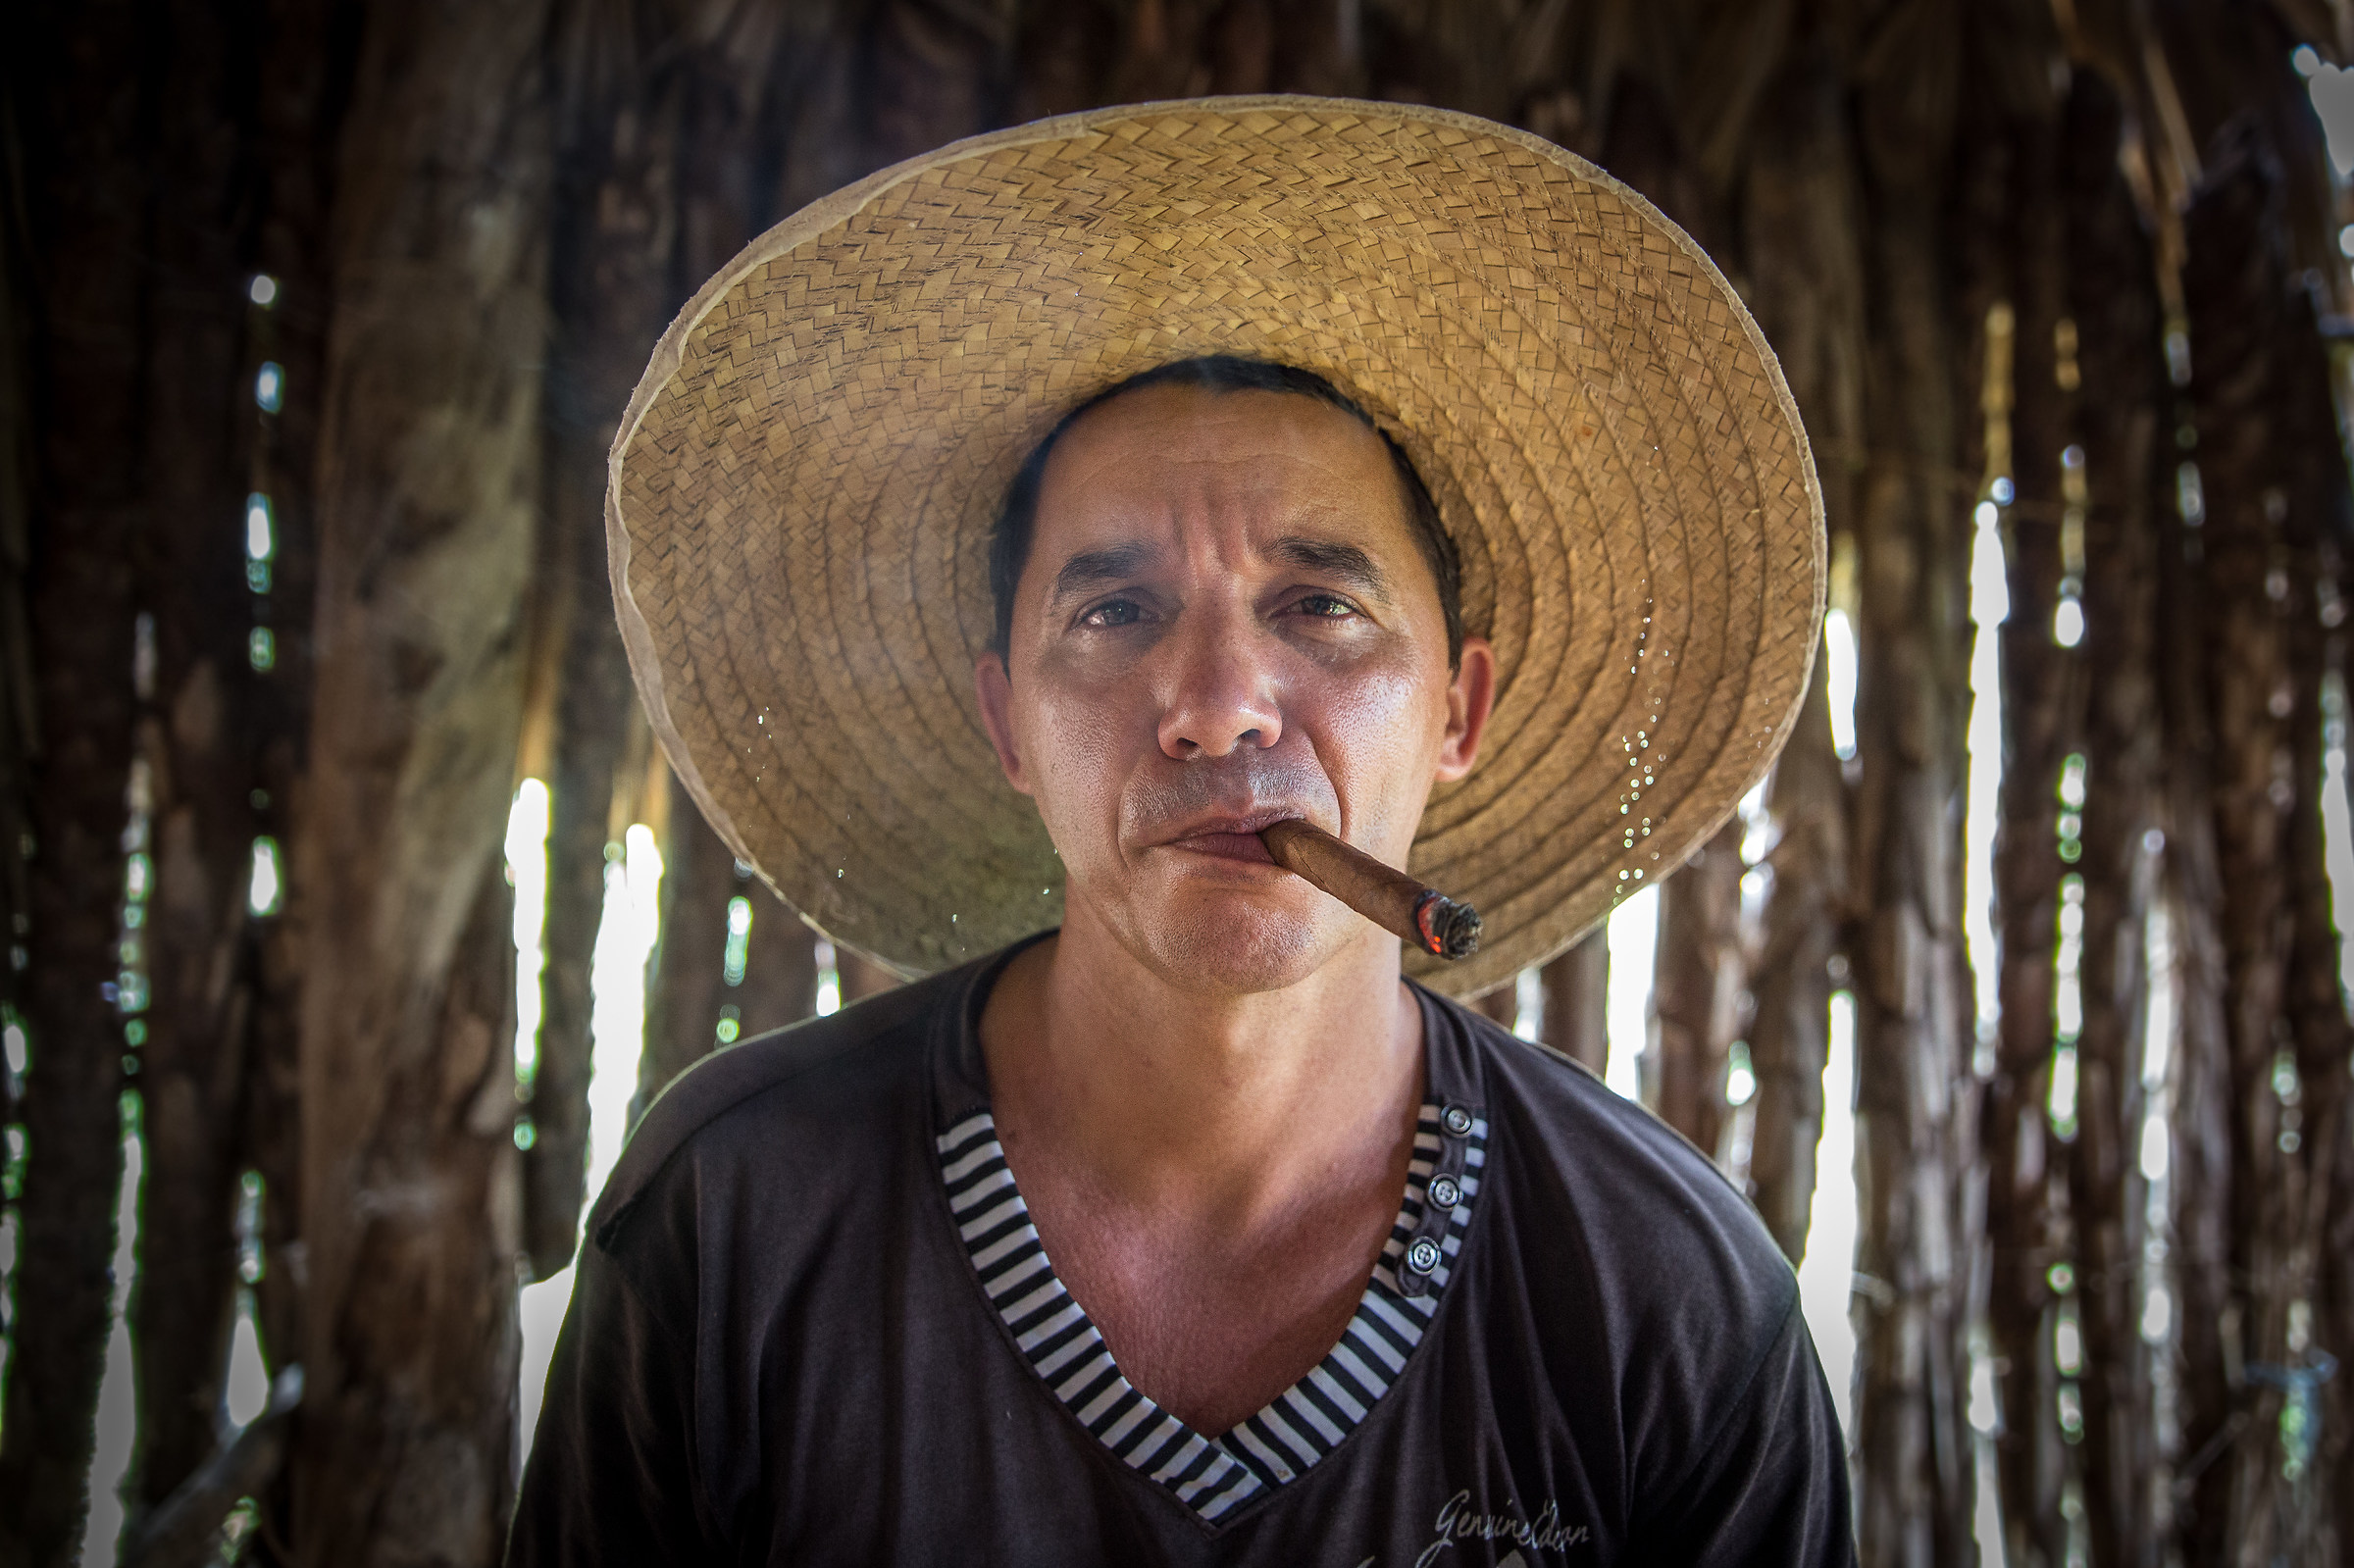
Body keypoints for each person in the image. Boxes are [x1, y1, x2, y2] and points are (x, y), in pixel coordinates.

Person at [511, 97, 1848, 1565]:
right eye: (1116, 611)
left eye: (1319, 607)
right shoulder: (738, 1219)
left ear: (1458, 712)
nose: (1216, 709)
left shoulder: (1665, 1297)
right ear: (1008, 724)